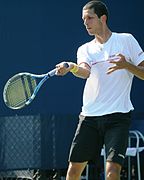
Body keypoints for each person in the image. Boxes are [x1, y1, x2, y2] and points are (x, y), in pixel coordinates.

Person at [56, 1, 144, 179]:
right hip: (89, 117)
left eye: (90, 18)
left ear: (102, 18)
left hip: (118, 116)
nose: (85, 23)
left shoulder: (126, 40)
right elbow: (85, 72)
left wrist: (126, 65)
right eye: (83, 19)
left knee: (112, 173)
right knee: (73, 172)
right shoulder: (85, 49)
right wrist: (72, 67)